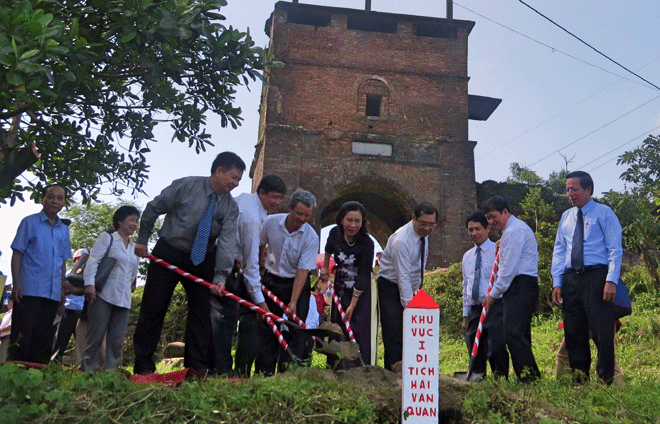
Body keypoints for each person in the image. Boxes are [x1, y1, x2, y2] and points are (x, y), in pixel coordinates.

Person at [132, 152, 244, 375]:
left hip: (202, 259)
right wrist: (142, 239)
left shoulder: (230, 207)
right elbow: (153, 208)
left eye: (238, 180)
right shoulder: (185, 186)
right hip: (169, 251)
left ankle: (196, 368)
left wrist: (220, 276)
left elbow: (227, 243)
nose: (235, 184)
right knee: (153, 309)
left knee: (202, 315)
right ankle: (143, 365)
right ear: (218, 171)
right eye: (232, 178)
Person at [551, 170, 623, 384]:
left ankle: (607, 381)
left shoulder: (604, 213)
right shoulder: (566, 217)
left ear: (588, 189)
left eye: (574, 189)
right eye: (567, 190)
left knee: (602, 331)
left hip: (597, 277)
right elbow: (559, 251)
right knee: (573, 332)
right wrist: (557, 282)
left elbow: (615, 249)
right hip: (571, 279)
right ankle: (579, 381)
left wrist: (611, 280)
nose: (570, 194)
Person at [211, 174, 286, 376]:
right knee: (224, 318)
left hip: (225, 260)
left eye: (280, 198)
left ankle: (216, 366)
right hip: (221, 264)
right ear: (261, 192)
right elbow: (251, 266)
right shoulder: (253, 219)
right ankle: (222, 369)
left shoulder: (244, 198)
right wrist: (261, 303)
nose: (277, 203)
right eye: (274, 197)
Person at [255, 188, 319, 376]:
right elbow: (260, 242)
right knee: (268, 328)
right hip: (271, 280)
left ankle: (289, 375)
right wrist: (260, 263)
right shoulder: (271, 222)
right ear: (290, 208)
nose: (301, 219)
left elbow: (303, 271)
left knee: (296, 329)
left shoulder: (311, 236)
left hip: (296, 284)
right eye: (299, 213)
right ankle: (263, 375)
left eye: (307, 215)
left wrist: (293, 301)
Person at [9, 184, 72, 364]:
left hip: (52, 293)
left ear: (64, 202)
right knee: (22, 337)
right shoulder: (29, 222)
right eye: (51, 196)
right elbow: (17, 254)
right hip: (28, 289)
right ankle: (14, 376)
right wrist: (16, 283)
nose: (55, 201)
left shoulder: (64, 230)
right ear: (42, 199)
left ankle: (38, 380)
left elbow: (62, 261)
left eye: (60, 198)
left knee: (43, 340)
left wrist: (62, 288)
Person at [483, 196, 541, 382]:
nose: (491, 222)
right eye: (488, 219)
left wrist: (492, 294)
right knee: (519, 333)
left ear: (505, 212)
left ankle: (529, 379)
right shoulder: (514, 230)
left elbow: (508, 270)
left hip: (519, 285)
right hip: (522, 285)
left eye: (494, 217)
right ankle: (527, 377)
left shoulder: (514, 231)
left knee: (514, 334)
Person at [377, 202, 438, 371]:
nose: (427, 228)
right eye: (423, 223)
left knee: (412, 332)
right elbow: (402, 276)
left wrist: (417, 294)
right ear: (413, 218)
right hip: (390, 286)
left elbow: (418, 266)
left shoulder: (424, 236)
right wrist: (410, 308)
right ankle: (394, 371)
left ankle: (411, 369)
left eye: (431, 224)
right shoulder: (401, 241)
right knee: (395, 330)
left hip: (410, 285)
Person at [81, 206, 141, 372]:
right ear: (120, 221)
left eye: (136, 221)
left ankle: (111, 374)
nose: (135, 224)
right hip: (103, 295)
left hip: (124, 299)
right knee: (95, 337)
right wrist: (90, 285)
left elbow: (133, 270)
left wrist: (132, 284)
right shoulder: (107, 238)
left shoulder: (134, 247)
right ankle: (87, 371)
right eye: (131, 220)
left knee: (116, 340)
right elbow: (93, 261)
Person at [320, 201, 374, 368]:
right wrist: (325, 267)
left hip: (359, 291)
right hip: (340, 286)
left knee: (356, 325)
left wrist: (352, 304)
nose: (353, 225)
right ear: (341, 220)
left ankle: (357, 367)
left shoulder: (367, 243)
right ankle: (335, 366)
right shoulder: (335, 233)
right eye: (349, 220)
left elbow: (364, 274)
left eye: (357, 221)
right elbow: (328, 248)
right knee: (338, 326)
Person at [461, 211, 509, 378]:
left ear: (488, 228)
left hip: (495, 307)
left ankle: (500, 381)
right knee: (474, 349)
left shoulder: (498, 250)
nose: (474, 233)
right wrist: (465, 315)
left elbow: (504, 277)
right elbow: (465, 286)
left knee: (496, 347)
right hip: (475, 309)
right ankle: (477, 381)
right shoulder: (467, 257)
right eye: (470, 230)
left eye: (477, 229)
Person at [51, 249, 88, 363]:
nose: (82, 262)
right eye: (80, 258)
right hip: (67, 312)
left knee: (82, 347)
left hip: (81, 314)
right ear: (74, 260)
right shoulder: (67, 275)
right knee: (59, 343)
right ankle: (53, 366)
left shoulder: (89, 276)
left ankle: (81, 370)